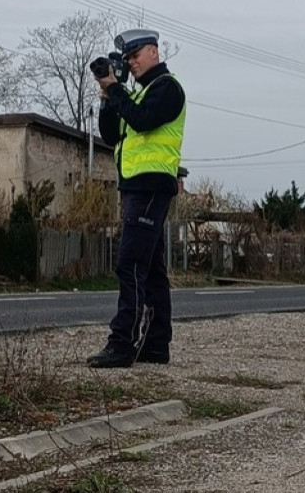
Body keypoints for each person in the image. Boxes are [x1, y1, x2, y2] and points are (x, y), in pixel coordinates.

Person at [88, 28, 186, 368]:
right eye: (127, 59)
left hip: (149, 187)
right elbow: (113, 134)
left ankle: (122, 344)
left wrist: (116, 87)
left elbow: (143, 123)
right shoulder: (140, 94)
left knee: (130, 264)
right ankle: (156, 345)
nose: (131, 62)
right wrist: (108, 97)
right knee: (152, 270)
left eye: (135, 55)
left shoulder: (167, 89)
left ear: (154, 53)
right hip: (136, 188)